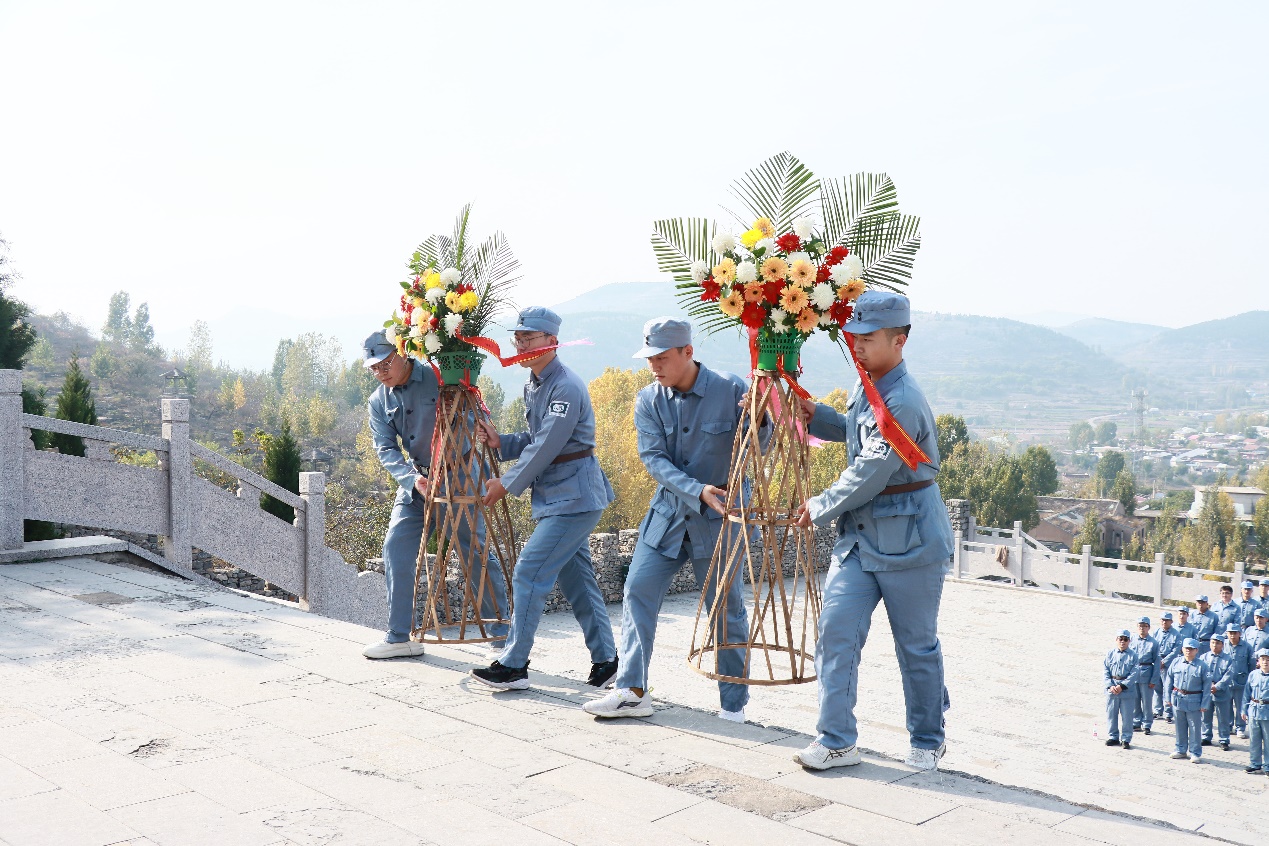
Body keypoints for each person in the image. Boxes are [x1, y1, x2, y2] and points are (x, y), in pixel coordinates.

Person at [786, 292, 955, 773]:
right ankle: (836, 739)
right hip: (860, 537)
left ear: (899, 341)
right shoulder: (869, 384)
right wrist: (812, 412)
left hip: (910, 540)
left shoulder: (903, 399)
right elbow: (855, 430)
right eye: (854, 337)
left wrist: (818, 506)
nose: (857, 345)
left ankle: (928, 737)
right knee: (836, 633)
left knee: (916, 644)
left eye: (869, 338)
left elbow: (872, 469)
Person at [583, 319, 765, 722]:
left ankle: (733, 707)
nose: (655, 367)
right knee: (637, 591)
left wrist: (762, 414)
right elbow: (653, 459)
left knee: (726, 607)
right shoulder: (648, 399)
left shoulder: (732, 389)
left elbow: (761, 447)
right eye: (650, 358)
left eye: (662, 358)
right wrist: (695, 489)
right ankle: (632, 690)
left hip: (722, 516)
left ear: (688, 351)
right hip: (669, 513)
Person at [470, 307, 618, 691]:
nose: (520, 345)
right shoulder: (534, 384)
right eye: (517, 338)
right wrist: (504, 441)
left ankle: (515, 663)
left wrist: (507, 481)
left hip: (575, 497)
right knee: (578, 581)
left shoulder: (565, 385)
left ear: (552, 342)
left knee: (529, 572)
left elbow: (549, 445)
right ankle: (607, 660)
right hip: (559, 495)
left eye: (529, 338)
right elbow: (536, 437)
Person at [359, 330, 509, 659]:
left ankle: (502, 636)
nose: (381, 373)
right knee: (395, 547)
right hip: (417, 481)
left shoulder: (440, 376)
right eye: (374, 368)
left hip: (459, 475)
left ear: (403, 354)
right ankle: (400, 636)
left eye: (385, 364)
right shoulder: (378, 401)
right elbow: (386, 450)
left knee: (474, 550)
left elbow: (473, 412)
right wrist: (411, 480)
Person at [1166, 637, 1211, 763]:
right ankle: (1180, 749)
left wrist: (1204, 703)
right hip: (1178, 698)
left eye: (1191, 649)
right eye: (1186, 648)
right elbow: (1168, 680)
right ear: (1182, 649)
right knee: (1179, 726)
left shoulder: (1202, 666)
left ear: (1196, 650)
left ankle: (1195, 752)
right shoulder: (1176, 662)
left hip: (1194, 700)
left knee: (1195, 728)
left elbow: (1207, 687)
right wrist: (1167, 697)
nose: (1188, 651)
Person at [1199, 633, 1234, 750]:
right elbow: (1201, 673)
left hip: (1222, 692)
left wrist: (1217, 686)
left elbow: (1228, 676)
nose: (1215, 645)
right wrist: (1208, 685)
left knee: (1223, 718)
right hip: (1206, 692)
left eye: (1218, 643)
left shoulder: (1228, 659)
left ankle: (1224, 739)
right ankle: (1206, 736)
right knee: (1205, 716)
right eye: (1213, 643)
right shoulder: (1203, 657)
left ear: (1222, 645)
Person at [1104, 630, 1139, 750]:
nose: (1122, 642)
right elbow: (1106, 671)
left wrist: (1122, 686)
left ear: (1129, 641)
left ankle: (1126, 738)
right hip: (1112, 689)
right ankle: (1113, 736)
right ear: (1116, 640)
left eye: (1125, 639)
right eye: (1120, 639)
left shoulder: (1133, 656)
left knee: (1127, 717)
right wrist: (1110, 685)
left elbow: (1134, 673)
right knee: (1111, 715)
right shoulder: (1110, 654)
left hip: (1126, 691)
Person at [1241, 648, 1269, 774]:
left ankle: (1268, 765)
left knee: (1268, 740)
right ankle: (1255, 763)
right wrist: (1243, 710)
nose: (1265, 662)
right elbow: (1247, 693)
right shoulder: (1253, 674)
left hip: (1267, 712)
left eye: (1268, 660)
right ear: (1258, 661)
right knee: (1254, 739)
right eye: (1263, 659)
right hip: (1254, 709)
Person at [1129, 616, 1159, 735]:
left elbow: (1157, 662)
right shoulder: (1132, 640)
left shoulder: (1153, 642)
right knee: (1135, 700)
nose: (1142, 628)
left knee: (1147, 702)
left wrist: (1154, 679)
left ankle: (1147, 724)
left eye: (1145, 626)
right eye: (1140, 626)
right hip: (1134, 673)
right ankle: (1136, 722)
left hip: (1147, 673)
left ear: (1149, 628)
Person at [1152, 612, 1180, 722]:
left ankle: (1168, 713)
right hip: (1157, 663)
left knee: (1168, 688)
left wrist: (1164, 662)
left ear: (1171, 622)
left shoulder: (1176, 634)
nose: (1164, 622)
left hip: (1168, 665)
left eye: (1167, 620)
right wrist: (1156, 661)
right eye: (1162, 620)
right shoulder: (1157, 632)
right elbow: (1153, 647)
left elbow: (1175, 651)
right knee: (1157, 687)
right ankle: (1158, 710)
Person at [1226, 623, 1252, 739]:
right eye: (1230, 633)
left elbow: (1251, 665)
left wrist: (1249, 680)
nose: (1232, 636)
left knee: (1240, 706)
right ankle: (1228, 726)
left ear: (1239, 634)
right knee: (1227, 705)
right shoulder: (1224, 645)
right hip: (1226, 681)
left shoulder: (1247, 647)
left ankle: (1240, 728)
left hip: (1241, 681)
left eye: (1234, 633)